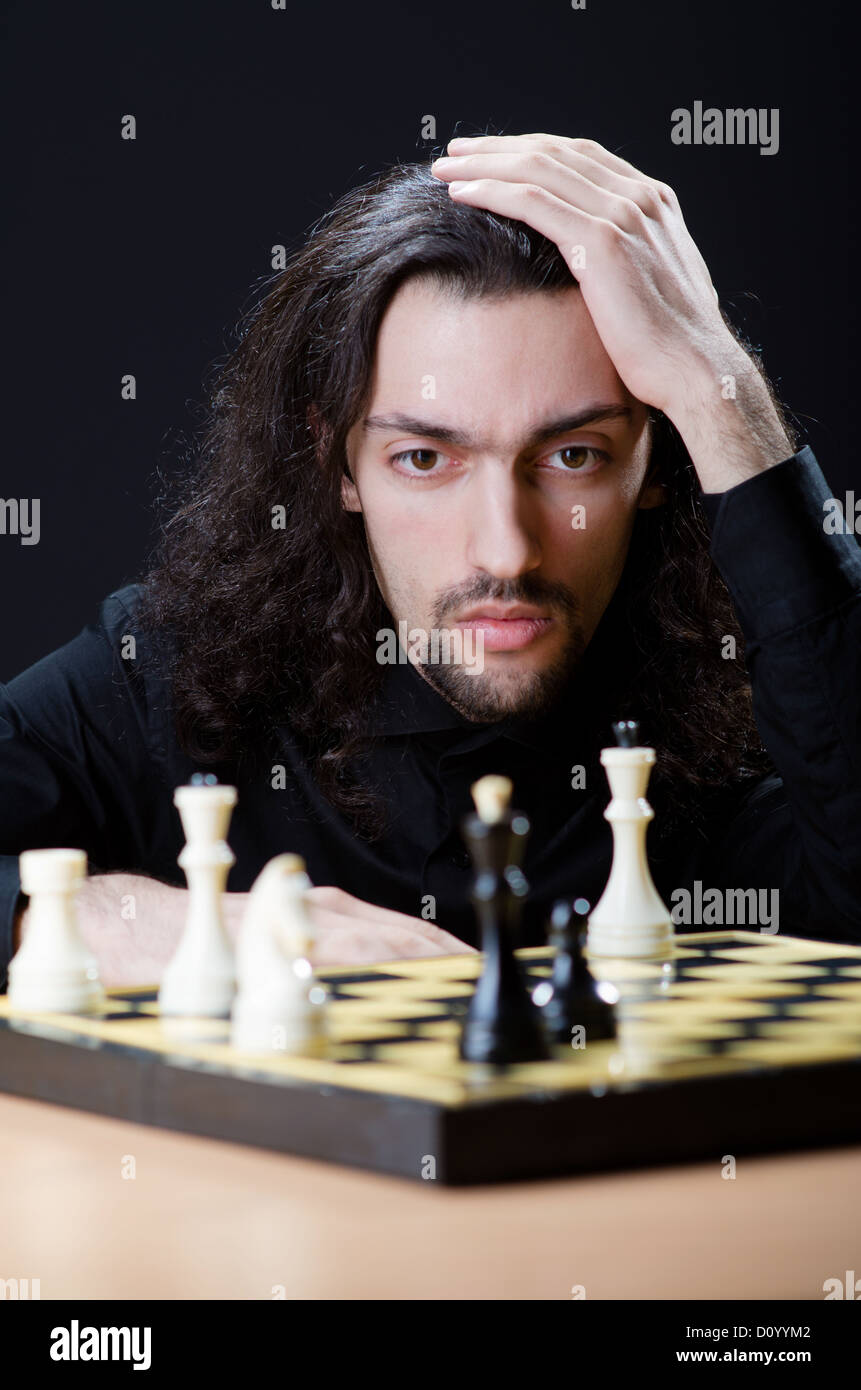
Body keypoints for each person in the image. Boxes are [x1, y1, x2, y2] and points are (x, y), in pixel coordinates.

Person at [2, 132, 859, 989]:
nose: (505, 550)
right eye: (425, 459)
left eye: (574, 456)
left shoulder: (761, 709)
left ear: (656, 464)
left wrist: (722, 389)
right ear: (338, 464)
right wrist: (146, 925)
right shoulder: (167, 680)